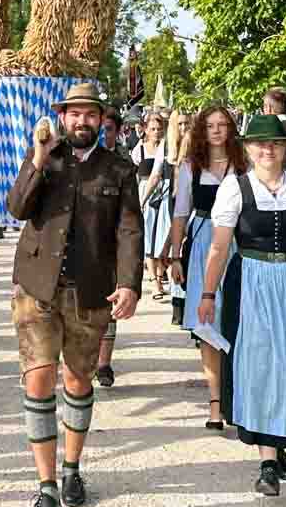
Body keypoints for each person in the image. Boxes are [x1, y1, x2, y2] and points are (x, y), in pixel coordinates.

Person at [7, 82, 143, 507]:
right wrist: (37, 159)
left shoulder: (118, 170)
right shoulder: (46, 158)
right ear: (62, 117)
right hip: (36, 288)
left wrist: (129, 284)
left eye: (90, 114)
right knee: (38, 379)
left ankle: (71, 469)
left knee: (78, 381)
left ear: (102, 119)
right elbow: (17, 208)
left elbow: (129, 231)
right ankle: (46, 487)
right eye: (74, 114)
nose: (81, 121)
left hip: (89, 291)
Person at [201, 114, 286, 496]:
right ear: (247, 148)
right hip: (252, 281)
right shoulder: (235, 188)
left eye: (276, 144)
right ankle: (267, 461)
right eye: (261, 144)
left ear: (285, 149)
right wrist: (208, 295)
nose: (268, 150)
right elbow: (218, 247)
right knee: (261, 362)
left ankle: (280, 447)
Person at [168, 106, 246, 429]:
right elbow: (180, 214)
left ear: (231, 128)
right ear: (202, 130)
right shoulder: (190, 167)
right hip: (202, 245)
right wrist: (174, 256)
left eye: (222, 125)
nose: (216, 131)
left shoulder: (244, 166)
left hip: (238, 243)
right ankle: (215, 403)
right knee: (209, 327)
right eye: (210, 125)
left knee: (239, 322)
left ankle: (238, 398)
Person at [95, 105, 131, 387]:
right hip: (84, 242)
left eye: (108, 129)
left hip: (112, 242)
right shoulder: (79, 156)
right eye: (100, 127)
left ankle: (104, 364)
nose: (102, 134)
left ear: (118, 132)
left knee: (109, 306)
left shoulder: (123, 160)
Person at [131, 112, 168, 298]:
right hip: (145, 191)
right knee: (148, 237)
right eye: (152, 128)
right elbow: (136, 176)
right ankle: (154, 281)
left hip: (165, 192)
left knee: (162, 236)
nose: (156, 132)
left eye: (159, 128)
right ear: (145, 129)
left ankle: (161, 276)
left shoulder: (167, 148)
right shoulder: (139, 150)